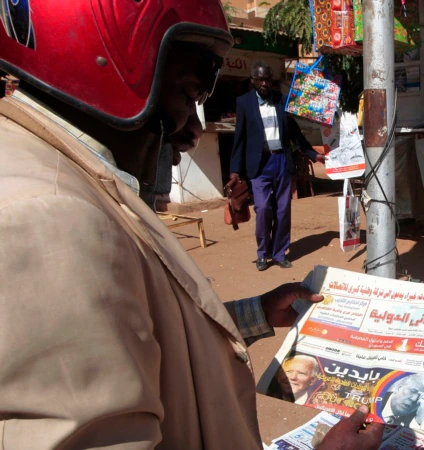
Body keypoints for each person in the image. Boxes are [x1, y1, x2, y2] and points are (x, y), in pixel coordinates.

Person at [0, 1, 381, 449]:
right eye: (187, 96)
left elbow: (140, 338)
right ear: (113, 70)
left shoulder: (55, 177)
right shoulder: (50, 221)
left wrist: (250, 315)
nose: (191, 131)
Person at [228, 62, 325, 272]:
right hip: (259, 164)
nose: (264, 83)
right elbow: (240, 138)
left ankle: (280, 253)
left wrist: (312, 154)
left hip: (281, 161)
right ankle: (263, 253)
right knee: (263, 209)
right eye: (260, 79)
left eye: (268, 79)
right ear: (253, 80)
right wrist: (235, 171)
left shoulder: (282, 100)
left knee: (282, 210)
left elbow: (295, 132)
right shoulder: (244, 103)